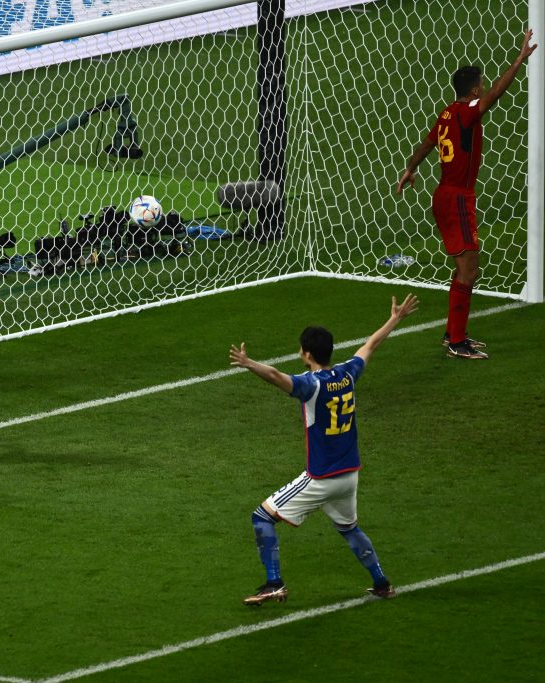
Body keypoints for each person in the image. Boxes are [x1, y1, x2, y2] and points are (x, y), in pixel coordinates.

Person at [229, 294, 419, 606]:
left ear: (306, 353)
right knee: (349, 528)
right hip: (349, 475)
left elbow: (277, 377)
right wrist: (395, 318)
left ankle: (274, 583)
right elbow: (370, 345)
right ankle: (382, 583)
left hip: (321, 477)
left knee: (261, 516)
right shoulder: (347, 374)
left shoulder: (311, 385)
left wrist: (249, 364)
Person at [396, 30, 536, 360]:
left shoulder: (446, 114)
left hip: (448, 195)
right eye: (482, 84)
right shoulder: (468, 112)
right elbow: (499, 93)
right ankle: (456, 342)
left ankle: (454, 334)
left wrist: (409, 168)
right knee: (469, 268)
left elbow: (428, 144)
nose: (485, 88)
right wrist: (519, 60)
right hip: (456, 198)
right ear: (474, 90)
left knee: (465, 267)